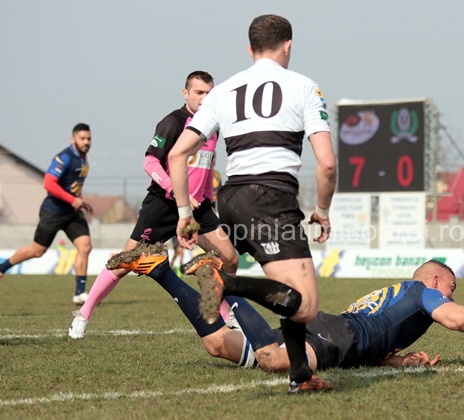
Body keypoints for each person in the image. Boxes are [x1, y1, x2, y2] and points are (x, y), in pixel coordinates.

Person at [168, 15, 337, 393]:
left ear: (250, 48)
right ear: (288, 45)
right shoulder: (304, 86)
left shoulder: (223, 91)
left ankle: (300, 376)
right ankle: (224, 281)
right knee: (306, 306)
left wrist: (184, 213)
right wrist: (323, 210)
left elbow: (177, 155)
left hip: (230, 198)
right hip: (270, 201)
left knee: (288, 294)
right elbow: (327, 163)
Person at [68, 71, 239, 339]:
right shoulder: (173, 123)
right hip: (163, 205)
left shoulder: (212, 126)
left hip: (199, 209)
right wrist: (177, 192)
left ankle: (227, 315)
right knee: (124, 263)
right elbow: (149, 163)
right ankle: (83, 314)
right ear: (185, 94)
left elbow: (206, 168)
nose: (205, 99)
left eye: (209, 93)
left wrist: (209, 201)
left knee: (230, 258)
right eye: (199, 93)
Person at [187, 258, 464, 372]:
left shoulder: (400, 295)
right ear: (435, 280)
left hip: (334, 330)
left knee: (218, 345)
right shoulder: (423, 292)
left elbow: (371, 342)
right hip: (336, 335)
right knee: (275, 361)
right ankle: (227, 283)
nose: (451, 296)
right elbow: (457, 320)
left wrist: (399, 361)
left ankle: (163, 272)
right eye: (451, 287)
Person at [0, 123, 94, 304]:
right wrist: (72, 200)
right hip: (53, 212)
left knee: (85, 246)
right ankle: (2, 267)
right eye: (82, 138)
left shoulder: (84, 159)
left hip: (72, 213)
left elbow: (73, 186)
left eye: (88, 139)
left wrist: (79, 201)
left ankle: (80, 293)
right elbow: (49, 184)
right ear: (73, 139)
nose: (86, 142)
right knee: (37, 251)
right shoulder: (64, 157)